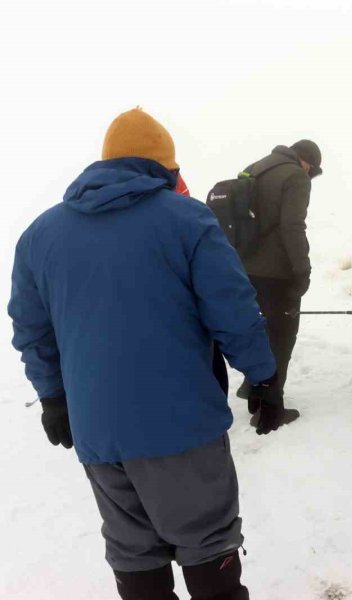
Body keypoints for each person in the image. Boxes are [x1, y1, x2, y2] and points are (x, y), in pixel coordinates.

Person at [8, 108, 281, 600]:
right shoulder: (187, 218)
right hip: (182, 427)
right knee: (206, 543)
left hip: (99, 433)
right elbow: (234, 310)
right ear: (166, 169)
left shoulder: (39, 236)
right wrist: (262, 376)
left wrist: (53, 398)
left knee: (134, 552)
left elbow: (32, 330)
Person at [234, 140, 322, 425]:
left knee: (259, 332)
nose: (310, 176)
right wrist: (302, 270)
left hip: (244, 268)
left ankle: (254, 391)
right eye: (313, 171)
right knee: (282, 337)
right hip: (277, 274)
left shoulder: (253, 169)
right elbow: (293, 226)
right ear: (306, 162)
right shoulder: (295, 176)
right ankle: (269, 411)